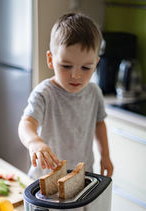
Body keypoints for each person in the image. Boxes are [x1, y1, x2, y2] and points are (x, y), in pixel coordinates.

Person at [18, 12, 113, 179]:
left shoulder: (94, 92)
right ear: (50, 59)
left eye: (86, 68)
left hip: (82, 176)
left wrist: (105, 155)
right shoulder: (44, 94)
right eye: (66, 66)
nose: (76, 75)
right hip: (46, 178)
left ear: (96, 64)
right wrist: (34, 143)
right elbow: (26, 123)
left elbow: (99, 124)